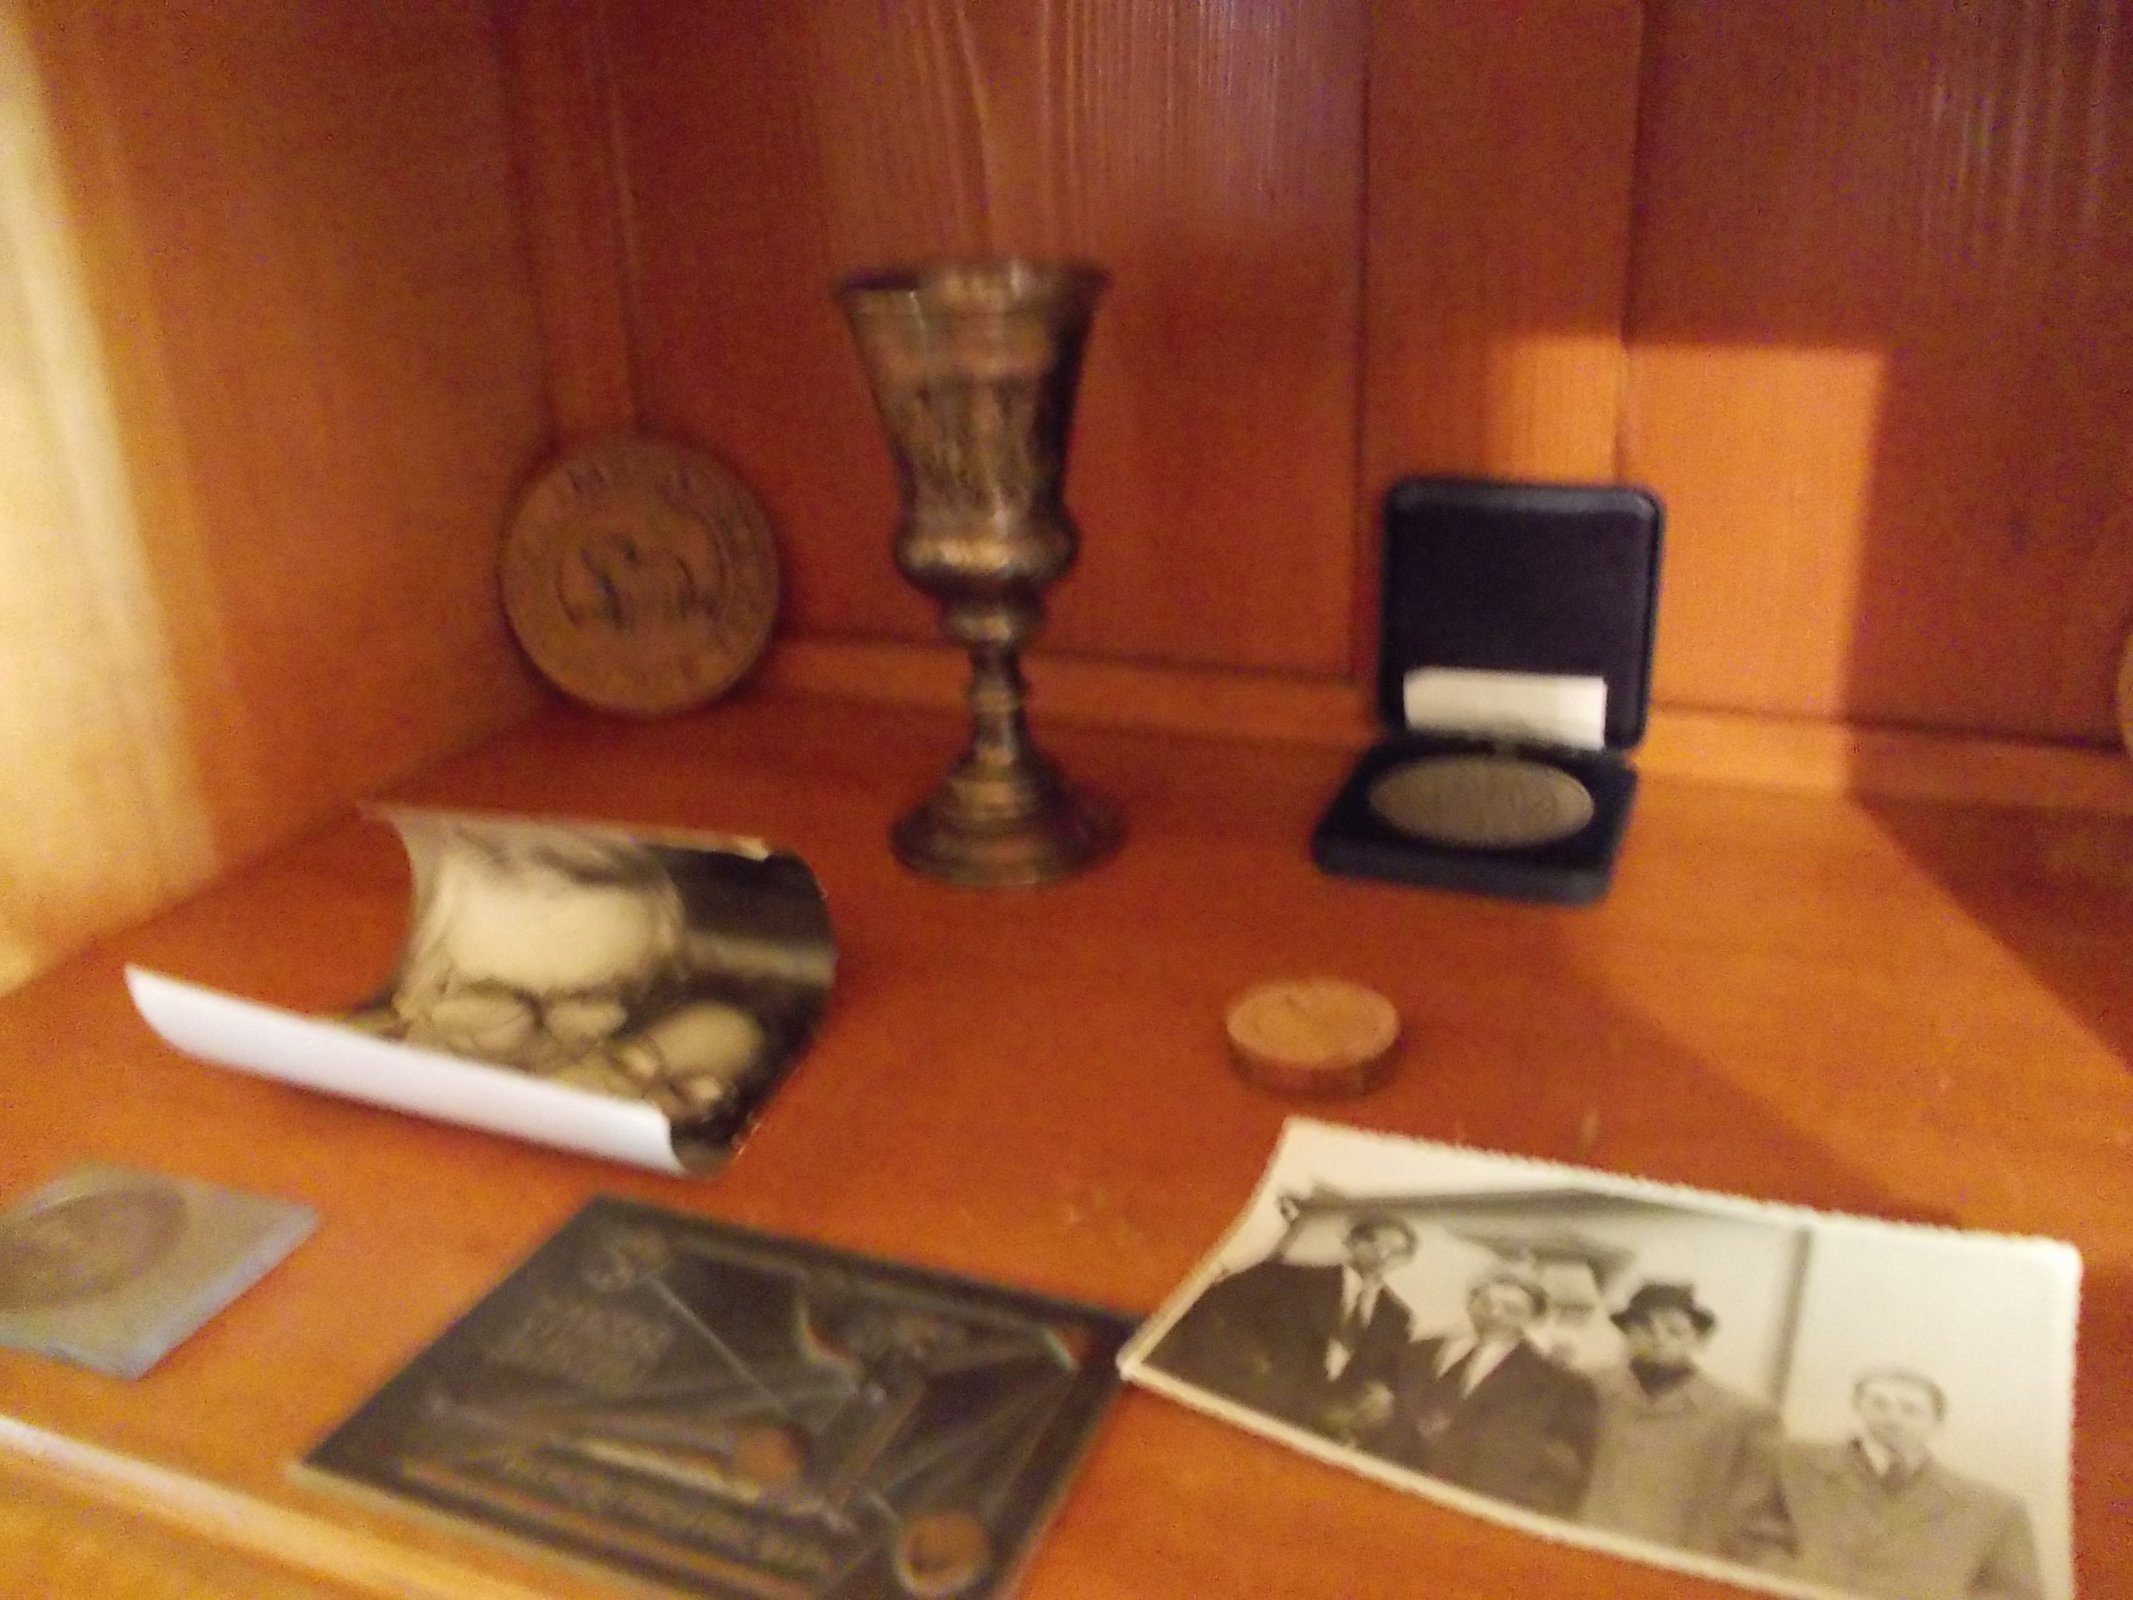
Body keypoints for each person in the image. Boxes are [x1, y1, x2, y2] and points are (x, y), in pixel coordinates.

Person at [1765, 1368, 2042, 1600]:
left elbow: (2013, 1594)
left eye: (1910, 1410)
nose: (1893, 1418)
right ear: (1858, 1408)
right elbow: (1750, 1540)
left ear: (1937, 1423)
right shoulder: (1792, 1464)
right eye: (1879, 1404)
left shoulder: (1993, 1509)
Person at [1147, 1215, 1418, 1435]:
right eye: (1374, 1243)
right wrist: (1250, 1364)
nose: (1383, 1255)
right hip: (1242, 1400)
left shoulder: (1397, 1317)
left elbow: (1385, 1372)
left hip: (1314, 1426)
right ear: (1351, 1241)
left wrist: (1381, 1393)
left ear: (1405, 1261)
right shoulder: (1287, 1276)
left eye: (1397, 1251)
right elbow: (1209, 1309)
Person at [1577, 1281, 1785, 1561]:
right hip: (1587, 1550)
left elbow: (1753, 1513)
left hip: (1680, 1563)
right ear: (1626, 1334)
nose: (1659, 1338)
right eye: (1645, 1327)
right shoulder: (1586, 1390)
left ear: (1697, 1339)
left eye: (1674, 1330)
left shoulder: (1741, 1417)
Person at [1372, 1265, 1597, 1516]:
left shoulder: (1558, 1385)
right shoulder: (1419, 1351)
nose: (1495, 1314)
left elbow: (1562, 1471)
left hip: (1474, 1507)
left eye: (1512, 1309)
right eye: (1486, 1302)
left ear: (1533, 1318)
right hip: (1393, 1491)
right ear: (1470, 1301)